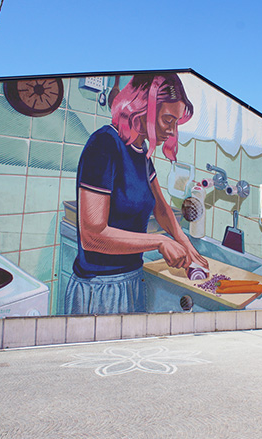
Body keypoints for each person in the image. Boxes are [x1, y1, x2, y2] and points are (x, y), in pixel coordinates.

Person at [65, 73, 208, 315]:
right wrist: (161, 241)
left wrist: (184, 242)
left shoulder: (141, 152)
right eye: (167, 120)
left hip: (131, 281)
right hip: (100, 287)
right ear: (143, 108)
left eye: (176, 123)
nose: (172, 132)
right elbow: (92, 234)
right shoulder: (104, 145)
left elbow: (161, 208)